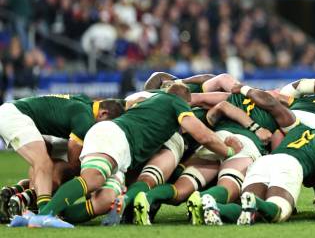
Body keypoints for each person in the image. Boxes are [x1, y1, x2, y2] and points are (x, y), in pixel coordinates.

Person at [16, 84, 241, 228]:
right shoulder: (175, 103)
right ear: (186, 101)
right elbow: (204, 136)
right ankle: (45, 214)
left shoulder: (150, 101)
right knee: (94, 178)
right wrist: (228, 151)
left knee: (106, 200)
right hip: (115, 136)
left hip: (122, 152)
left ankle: (47, 216)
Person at [190, 114, 315, 225]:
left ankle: (213, 207)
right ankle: (255, 202)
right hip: (289, 166)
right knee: (280, 212)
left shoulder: (300, 128)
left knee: (252, 213)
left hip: (265, 162)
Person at [0, 94, 124, 222]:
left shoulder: (85, 103)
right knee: (45, 163)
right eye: (107, 126)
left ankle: (16, 194)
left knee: (50, 166)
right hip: (15, 117)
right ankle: (44, 214)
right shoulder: (85, 120)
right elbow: (74, 159)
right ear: (103, 113)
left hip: (16, 113)